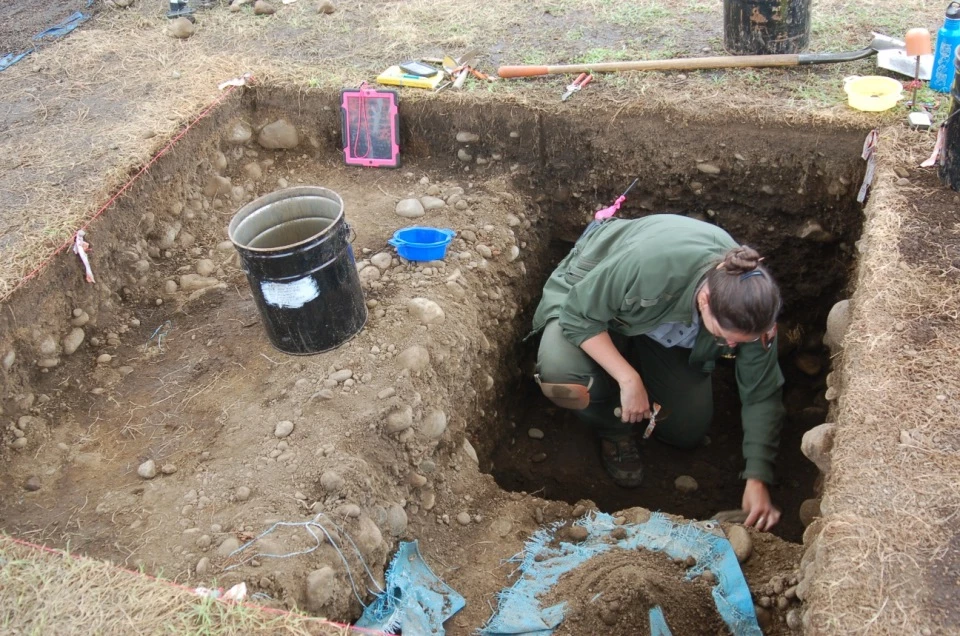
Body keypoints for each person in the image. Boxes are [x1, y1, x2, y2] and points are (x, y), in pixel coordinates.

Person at [530, 214, 784, 531]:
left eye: (738, 341)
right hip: (595, 302)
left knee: (686, 430)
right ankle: (614, 430)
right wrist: (628, 377)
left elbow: (762, 393)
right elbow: (579, 315)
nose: (732, 345)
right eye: (725, 335)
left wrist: (757, 477)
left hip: (662, 332)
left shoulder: (754, 310)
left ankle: (639, 364)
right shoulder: (649, 265)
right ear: (705, 300)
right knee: (562, 377)